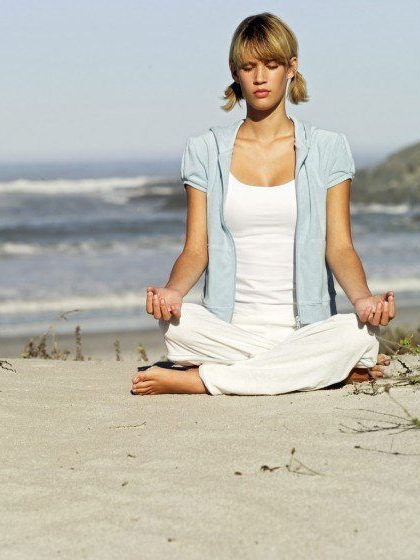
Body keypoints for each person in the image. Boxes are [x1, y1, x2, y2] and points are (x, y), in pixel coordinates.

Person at [131, 12, 395, 396]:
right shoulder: (205, 151)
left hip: (308, 328)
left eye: (271, 65)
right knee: (176, 326)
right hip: (228, 328)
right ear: (235, 72)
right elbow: (196, 248)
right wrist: (173, 292)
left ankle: (205, 380)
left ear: (291, 68)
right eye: (249, 66)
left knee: (359, 334)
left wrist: (363, 299)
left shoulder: (327, 148)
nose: (259, 78)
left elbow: (339, 246)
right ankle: (317, 371)